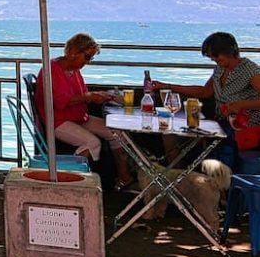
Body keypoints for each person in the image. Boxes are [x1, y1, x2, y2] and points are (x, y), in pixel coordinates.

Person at [35, 33, 134, 188]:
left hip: (78, 116)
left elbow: (82, 94)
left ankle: (124, 177)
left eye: (90, 58)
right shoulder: (52, 69)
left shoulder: (73, 69)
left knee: (117, 132)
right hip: (57, 120)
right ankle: (69, 181)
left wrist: (99, 96)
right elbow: (61, 101)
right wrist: (90, 97)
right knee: (92, 143)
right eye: (87, 57)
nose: (87, 62)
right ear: (73, 52)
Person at [152, 31, 260, 166]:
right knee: (170, 134)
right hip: (220, 122)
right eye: (211, 56)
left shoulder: (250, 70)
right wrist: (167, 86)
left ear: (229, 51)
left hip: (243, 126)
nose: (213, 59)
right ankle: (177, 172)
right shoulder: (220, 69)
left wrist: (241, 105)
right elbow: (205, 92)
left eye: (216, 55)